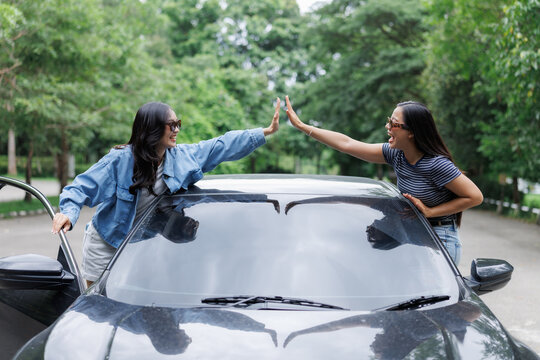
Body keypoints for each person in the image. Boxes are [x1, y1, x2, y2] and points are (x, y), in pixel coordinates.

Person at [52, 99, 281, 286]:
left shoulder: (183, 157)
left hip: (139, 245)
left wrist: (264, 132)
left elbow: (221, 146)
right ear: (152, 128)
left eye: (178, 123)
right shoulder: (120, 160)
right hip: (106, 243)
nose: (177, 130)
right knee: (99, 305)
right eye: (171, 125)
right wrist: (68, 213)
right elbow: (81, 187)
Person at [285, 96, 483, 265]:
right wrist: (303, 126)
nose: (387, 127)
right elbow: (347, 144)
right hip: (413, 232)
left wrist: (431, 211)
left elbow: (474, 197)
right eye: (389, 120)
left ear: (412, 132)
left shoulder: (436, 165)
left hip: (440, 238)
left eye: (393, 124)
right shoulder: (396, 154)